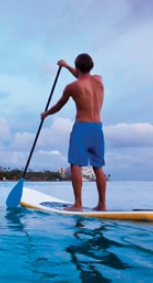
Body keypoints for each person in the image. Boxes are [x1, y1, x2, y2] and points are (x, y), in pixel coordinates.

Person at [41, 53, 107, 211]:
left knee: (75, 164)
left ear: (77, 67)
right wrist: (66, 66)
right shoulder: (99, 80)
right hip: (97, 128)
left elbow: (58, 106)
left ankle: (78, 204)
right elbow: (81, 75)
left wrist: (46, 114)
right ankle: (102, 205)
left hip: (82, 128)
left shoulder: (72, 87)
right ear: (91, 67)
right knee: (98, 167)